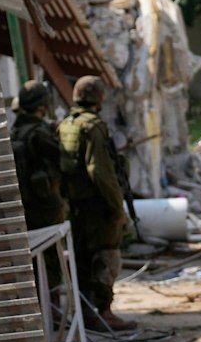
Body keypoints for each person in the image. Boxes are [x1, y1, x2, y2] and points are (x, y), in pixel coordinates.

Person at [60, 75, 137, 329]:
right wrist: (117, 207)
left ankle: (85, 313)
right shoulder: (93, 126)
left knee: (82, 258)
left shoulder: (67, 125)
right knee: (107, 257)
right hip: (98, 205)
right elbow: (100, 171)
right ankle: (104, 311)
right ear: (99, 97)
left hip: (77, 206)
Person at [10, 80, 67, 231]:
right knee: (53, 252)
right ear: (42, 106)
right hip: (46, 206)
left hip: (24, 206)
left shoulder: (15, 131)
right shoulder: (40, 133)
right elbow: (63, 159)